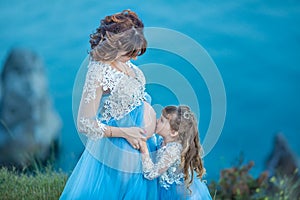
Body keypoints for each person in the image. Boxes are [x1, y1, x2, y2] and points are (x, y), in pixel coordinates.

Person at [60, 10, 158, 199]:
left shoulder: (125, 62)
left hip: (141, 139)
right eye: (130, 52)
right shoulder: (98, 71)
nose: (135, 57)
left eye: (137, 52)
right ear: (115, 45)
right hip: (121, 144)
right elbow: (84, 123)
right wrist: (125, 132)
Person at [139, 105, 213, 199]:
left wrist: (144, 149)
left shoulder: (173, 150)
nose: (157, 121)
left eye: (162, 120)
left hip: (176, 193)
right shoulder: (163, 139)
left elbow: (151, 174)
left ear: (173, 132)